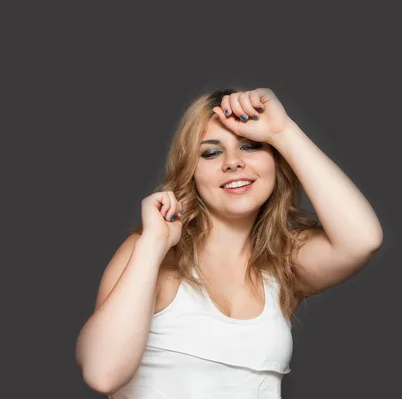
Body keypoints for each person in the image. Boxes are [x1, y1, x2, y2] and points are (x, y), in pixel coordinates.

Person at [75, 87, 383, 398]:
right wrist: (152, 245)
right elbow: (103, 373)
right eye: (211, 152)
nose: (233, 162)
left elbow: (362, 240)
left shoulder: (281, 262)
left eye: (250, 147)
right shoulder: (151, 252)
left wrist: (282, 130)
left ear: (275, 160)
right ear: (190, 171)